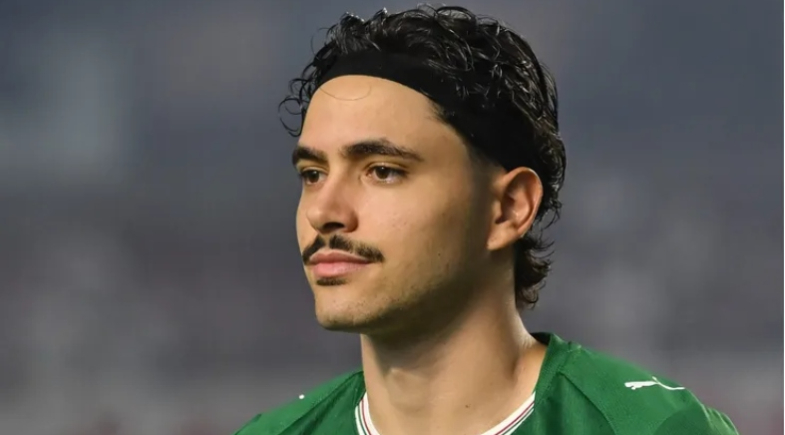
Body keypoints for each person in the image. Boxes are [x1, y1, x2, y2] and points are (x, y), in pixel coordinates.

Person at [234, 5, 738, 435]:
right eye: (314, 174)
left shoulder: (651, 428)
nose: (323, 212)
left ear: (509, 208)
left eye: (383, 171)